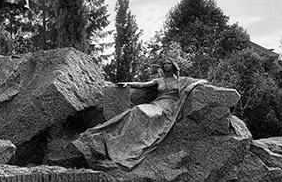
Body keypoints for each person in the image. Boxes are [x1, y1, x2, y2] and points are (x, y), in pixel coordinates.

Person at [72, 57, 207, 171]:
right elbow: (143, 85)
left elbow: (203, 81)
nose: (166, 65)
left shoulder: (182, 80)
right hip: (156, 103)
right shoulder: (159, 81)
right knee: (137, 110)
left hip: (168, 108)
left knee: (149, 116)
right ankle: (117, 138)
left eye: (169, 63)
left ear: (173, 65)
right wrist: (128, 83)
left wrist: (188, 88)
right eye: (164, 64)